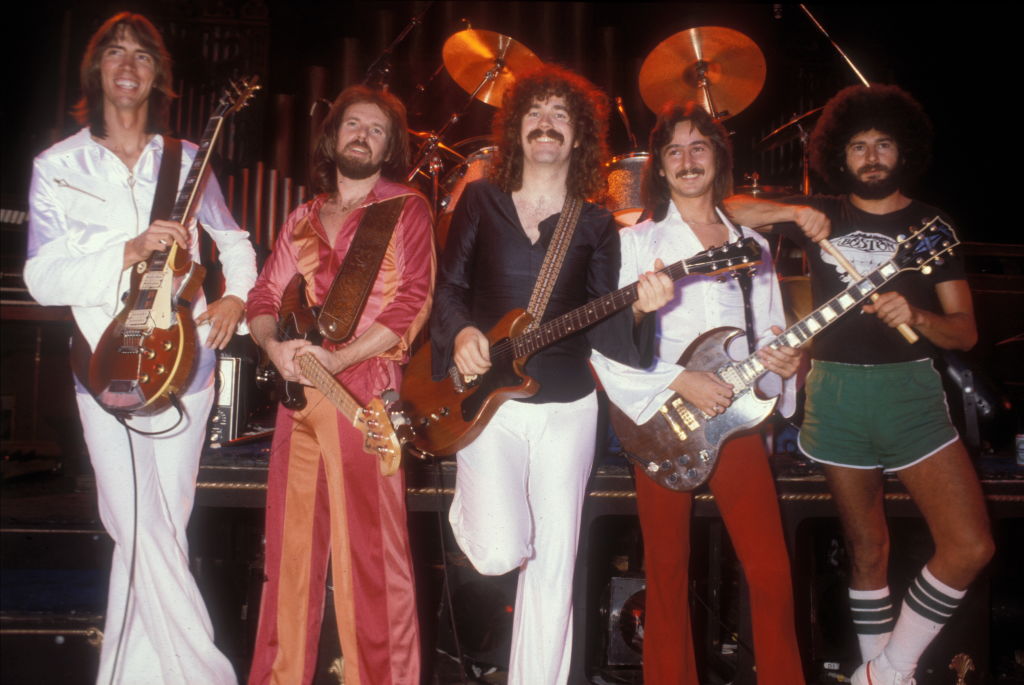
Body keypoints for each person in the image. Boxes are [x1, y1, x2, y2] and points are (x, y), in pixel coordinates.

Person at [726, 84, 994, 685]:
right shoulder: (822, 212)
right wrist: (791, 211)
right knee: (868, 551)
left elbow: (967, 331)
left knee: (970, 545)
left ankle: (886, 671)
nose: (871, 156)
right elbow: (725, 208)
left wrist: (919, 317)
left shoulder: (932, 225)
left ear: (905, 152)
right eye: (857, 147)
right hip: (837, 395)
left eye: (883, 144)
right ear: (837, 157)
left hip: (911, 395)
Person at [25, 12, 256, 685]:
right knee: (138, 524)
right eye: (115, 53)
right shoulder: (57, 166)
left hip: (187, 366)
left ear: (159, 76)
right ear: (95, 69)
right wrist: (125, 248)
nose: (128, 65)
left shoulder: (186, 158)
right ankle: (209, 674)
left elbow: (235, 244)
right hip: (104, 367)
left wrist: (236, 298)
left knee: (160, 530)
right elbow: (42, 278)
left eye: (143, 56)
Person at [429, 65, 670, 685]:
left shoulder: (594, 224)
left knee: (555, 564)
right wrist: (460, 333)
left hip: (567, 407)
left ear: (579, 136)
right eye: (535, 112)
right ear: (517, 129)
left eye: (561, 115)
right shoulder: (480, 198)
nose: (546, 124)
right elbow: (449, 286)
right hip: (489, 401)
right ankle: (472, 514)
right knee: (502, 548)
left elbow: (605, 332)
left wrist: (639, 308)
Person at [590, 101, 808, 684]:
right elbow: (603, 344)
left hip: (734, 418)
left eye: (699, 147)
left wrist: (785, 361)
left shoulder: (753, 244)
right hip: (662, 413)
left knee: (769, 569)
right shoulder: (635, 243)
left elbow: (769, 331)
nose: (687, 160)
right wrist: (679, 379)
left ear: (718, 160)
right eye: (674, 150)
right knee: (665, 569)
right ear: (659, 167)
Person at [246, 85, 434, 685]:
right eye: (353, 124)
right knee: (289, 554)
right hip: (299, 392)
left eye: (376, 129)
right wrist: (275, 348)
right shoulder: (301, 216)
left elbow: (412, 302)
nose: (362, 134)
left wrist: (341, 358)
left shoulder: (406, 207)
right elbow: (263, 296)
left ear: (390, 146)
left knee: (372, 558)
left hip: (365, 394)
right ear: (332, 138)